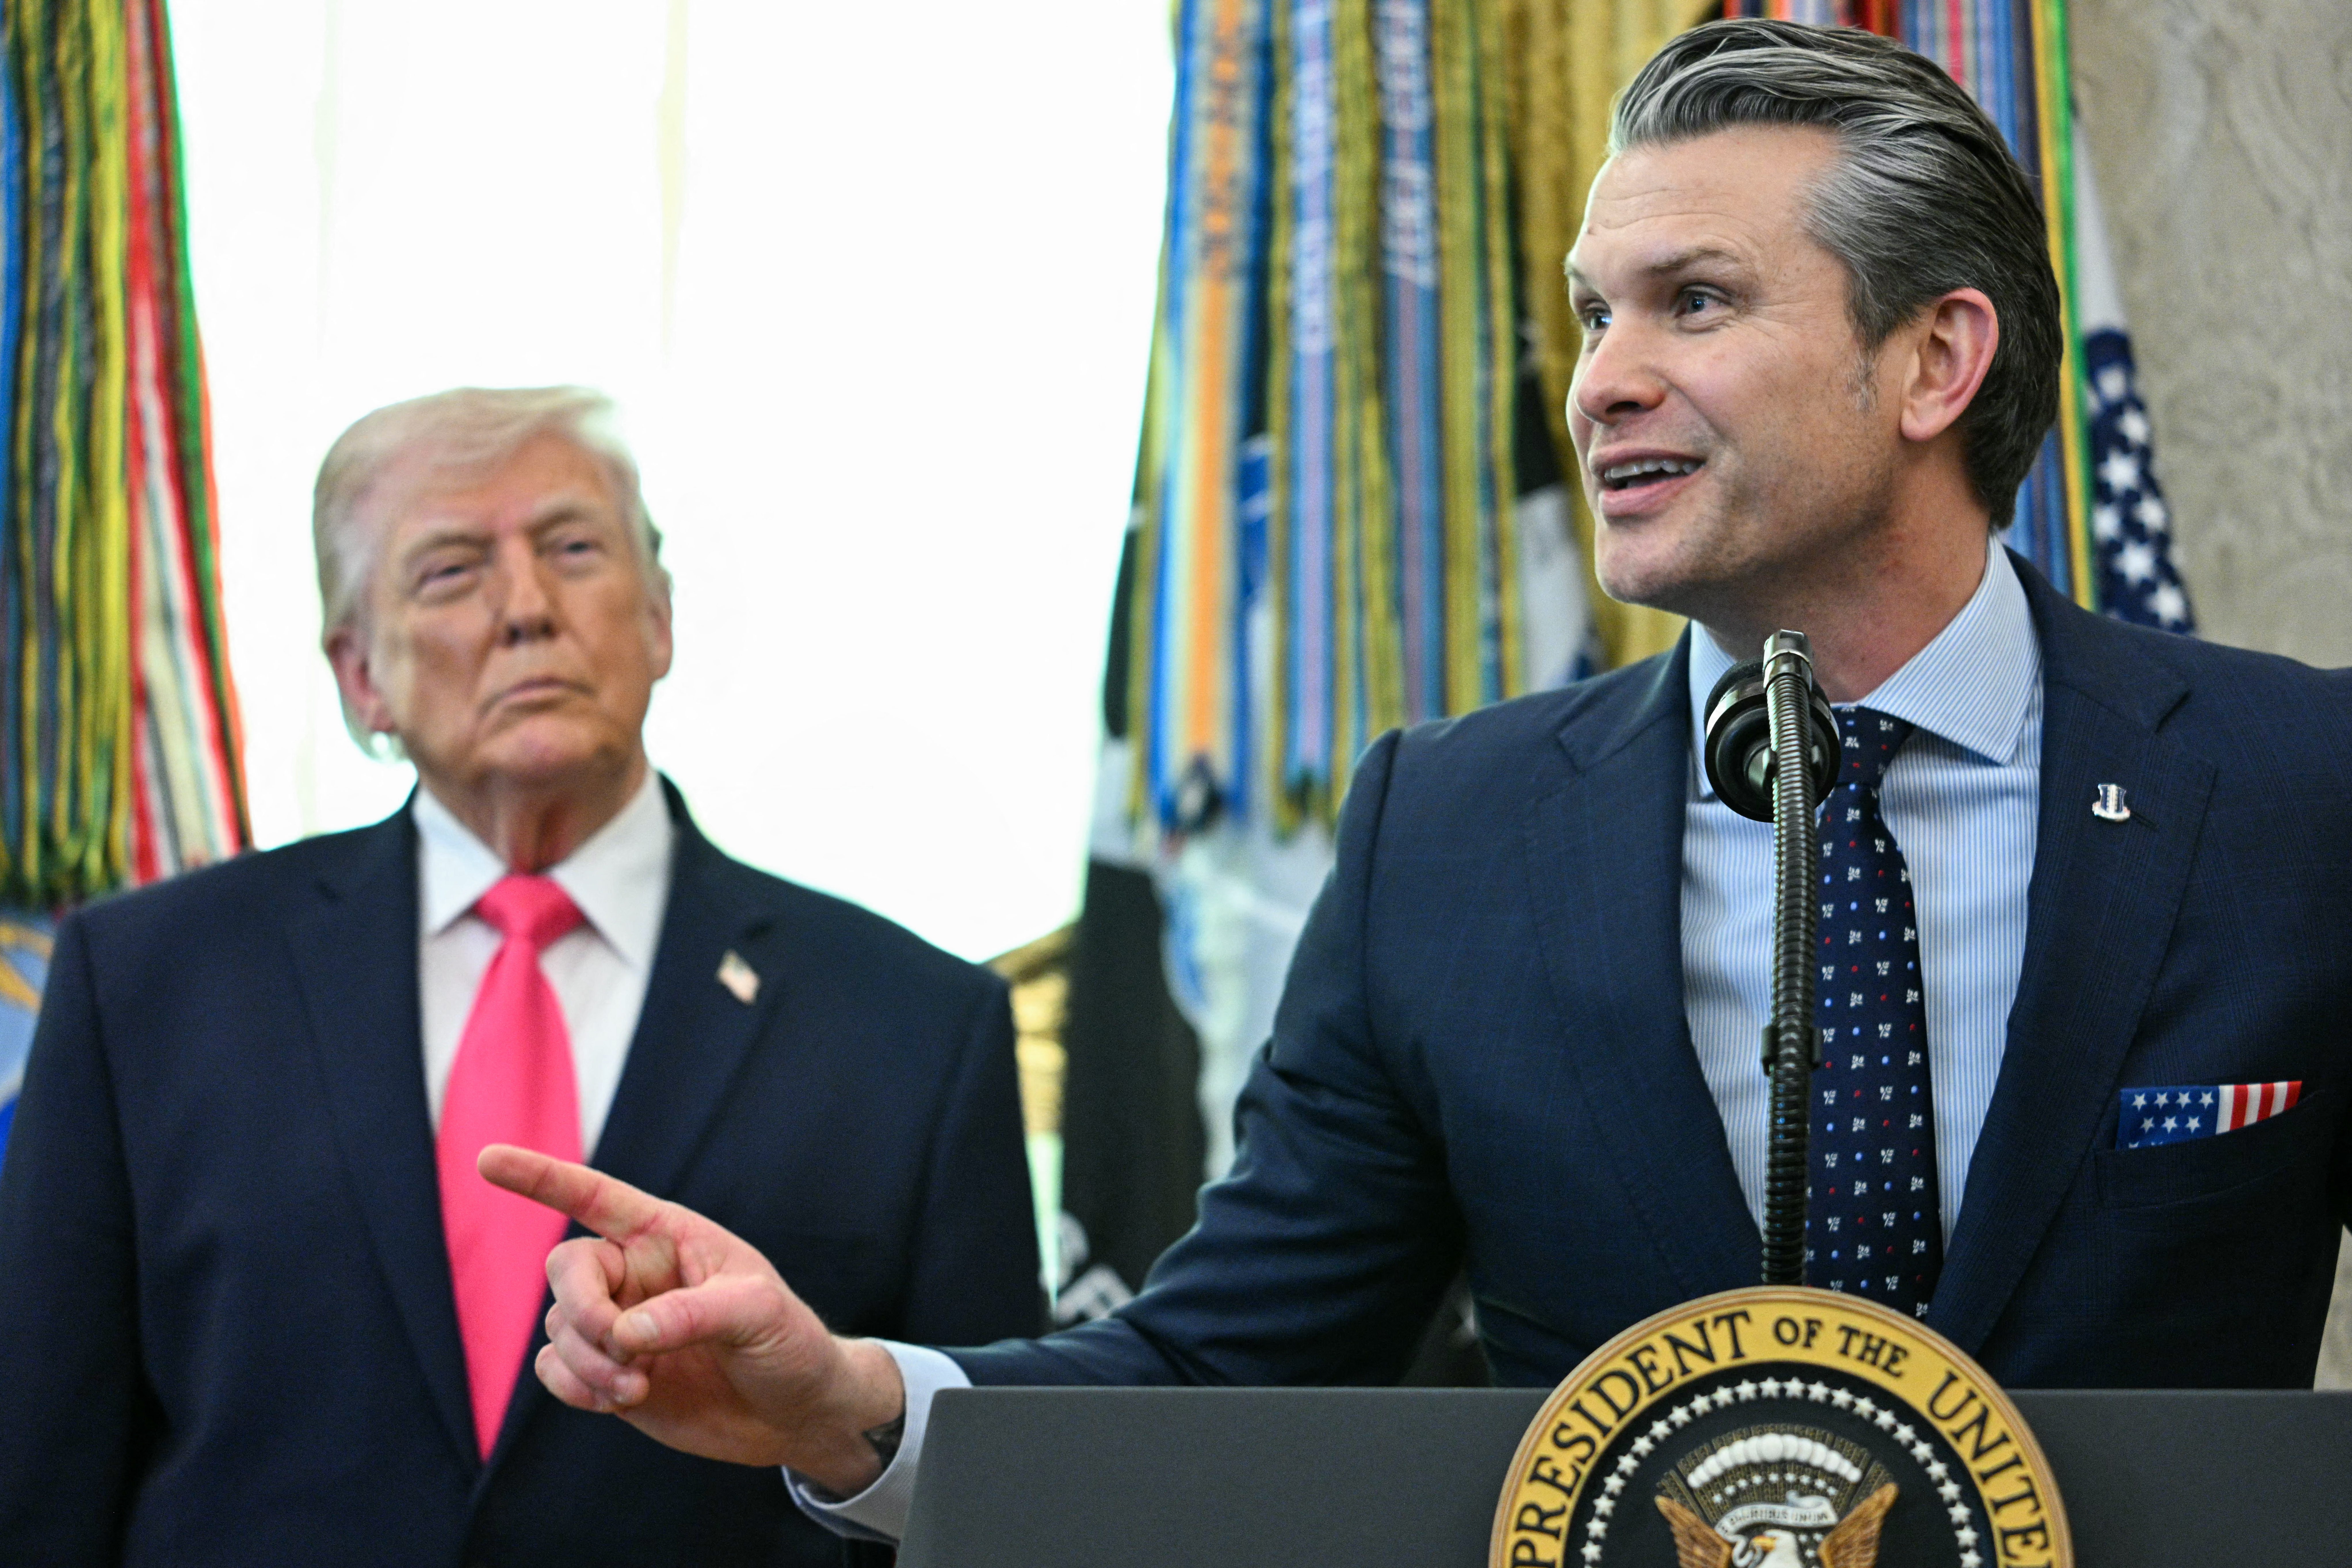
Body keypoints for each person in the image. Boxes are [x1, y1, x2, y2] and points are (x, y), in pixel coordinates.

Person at [516, 18, 2343, 1547]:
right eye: (1591, 314)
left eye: (1692, 303)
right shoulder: (1448, 835)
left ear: (1936, 357)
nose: (1604, 382)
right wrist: (847, 1397)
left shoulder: (2294, 788)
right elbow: (1232, 1363)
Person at [0, 386, 1043, 1566]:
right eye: (450, 571)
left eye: (573, 549)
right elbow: (45, 1464)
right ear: (361, 678)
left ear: (658, 617)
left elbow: (989, 1500)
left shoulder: (912, 1026)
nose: (529, 609)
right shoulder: (147, 982)